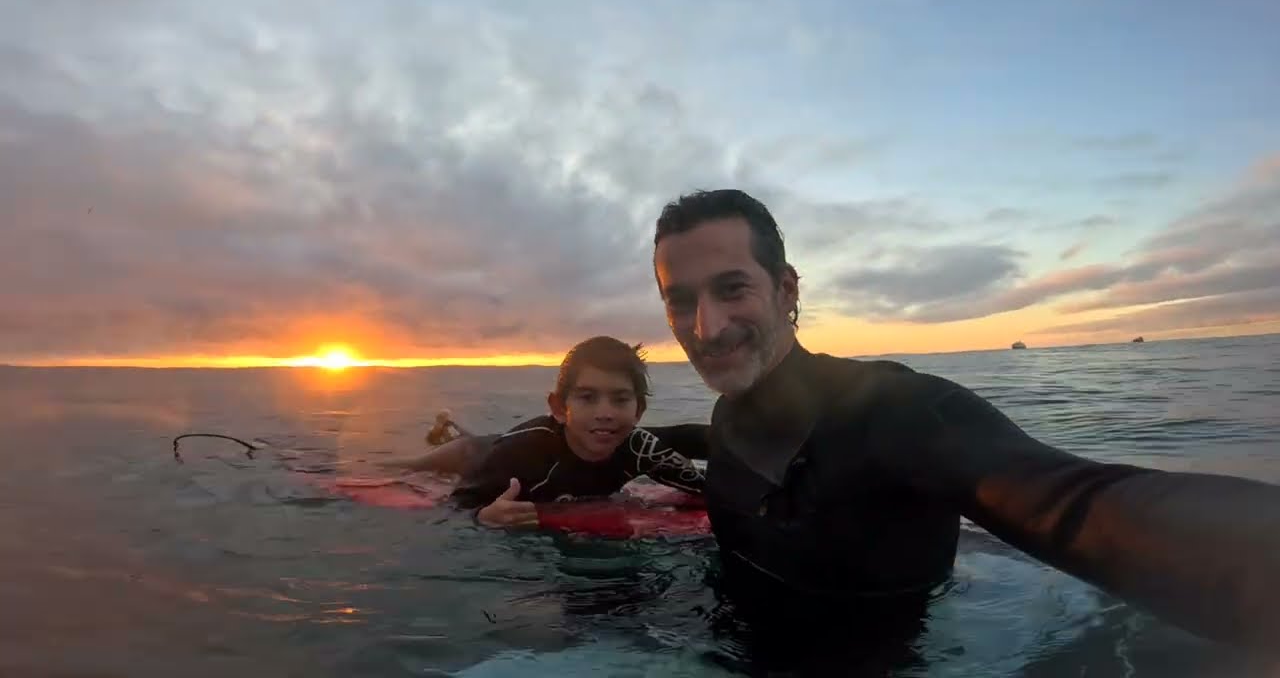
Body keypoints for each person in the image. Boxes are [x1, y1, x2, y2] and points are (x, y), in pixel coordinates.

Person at [650, 188, 1280, 665]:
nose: (706, 328)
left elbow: (1074, 501)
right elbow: (729, 445)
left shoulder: (897, 410)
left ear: (786, 290)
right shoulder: (730, 415)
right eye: (681, 301)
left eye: (732, 289)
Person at [391, 336, 708, 528]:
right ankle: (444, 429)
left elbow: (697, 455)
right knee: (402, 469)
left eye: (620, 399)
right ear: (559, 408)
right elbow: (457, 503)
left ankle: (447, 425)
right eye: (587, 397)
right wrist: (482, 517)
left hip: (500, 452)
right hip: (476, 455)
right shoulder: (521, 451)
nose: (605, 413)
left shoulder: (641, 449)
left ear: (638, 410)